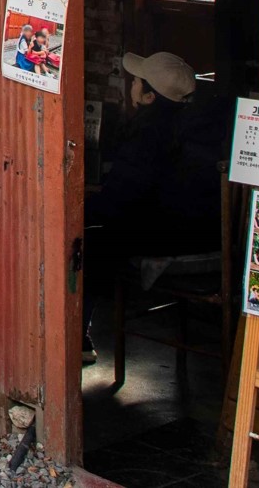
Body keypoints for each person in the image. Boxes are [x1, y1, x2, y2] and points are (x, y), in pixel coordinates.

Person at [83, 50, 229, 360]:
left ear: (149, 97)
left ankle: (77, 339)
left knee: (86, 240)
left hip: (168, 243)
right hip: (208, 240)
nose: (132, 85)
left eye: (136, 82)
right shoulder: (201, 127)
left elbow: (117, 203)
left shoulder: (147, 137)